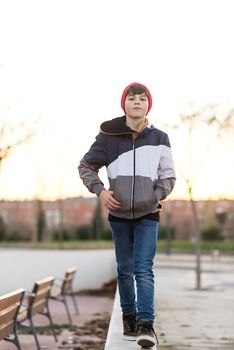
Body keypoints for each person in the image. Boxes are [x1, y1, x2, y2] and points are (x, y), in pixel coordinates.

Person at [78, 82, 176, 348]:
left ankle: (146, 325)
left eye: (142, 99)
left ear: (148, 105)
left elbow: (168, 176)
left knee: (143, 269)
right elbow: (86, 166)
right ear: (124, 104)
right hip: (119, 215)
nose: (137, 102)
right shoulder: (108, 138)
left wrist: (155, 195)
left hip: (148, 214)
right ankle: (129, 319)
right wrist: (100, 192)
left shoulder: (160, 138)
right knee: (124, 270)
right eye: (131, 98)